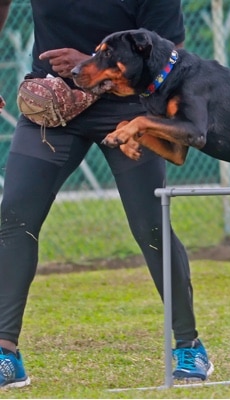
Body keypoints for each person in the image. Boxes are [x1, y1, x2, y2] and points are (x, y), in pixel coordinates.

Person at [0, 0, 213, 388]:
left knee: (151, 226)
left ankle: (189, 346)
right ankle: (5, 353)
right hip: (52, 105)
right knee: (14, 219)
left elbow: (169, 47)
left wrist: (91, 63)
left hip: (130, 108)